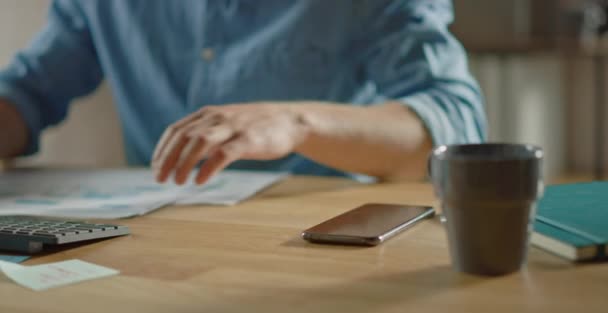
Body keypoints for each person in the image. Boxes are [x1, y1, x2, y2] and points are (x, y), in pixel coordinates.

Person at [0, 0, 486, 185]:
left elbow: (453, 127)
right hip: (154, 237)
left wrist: (297, 123)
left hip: (325, 245)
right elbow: (26, 93)